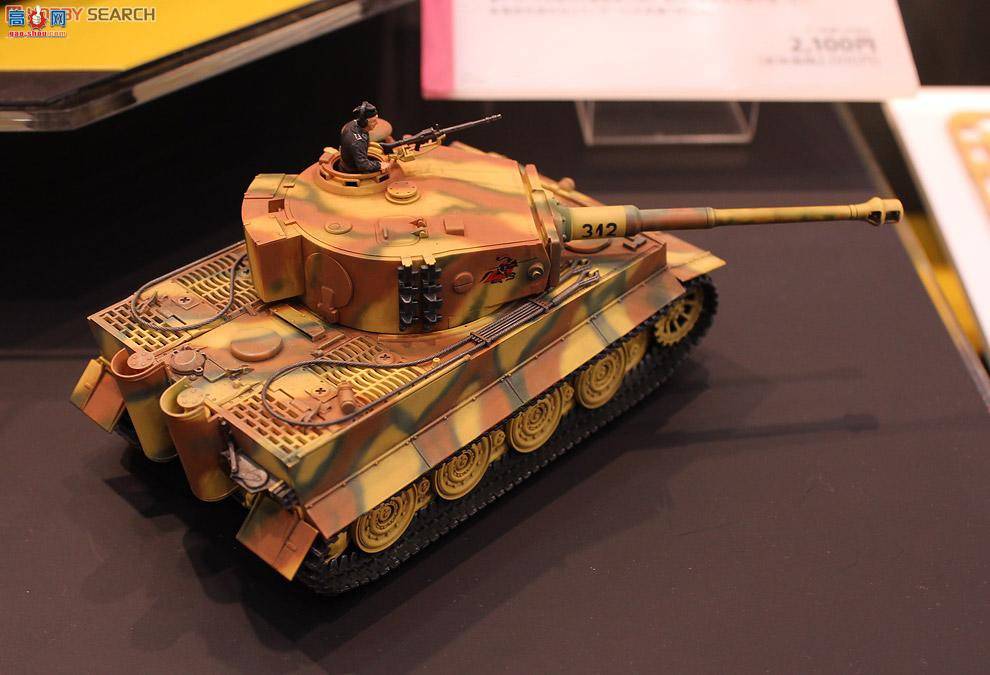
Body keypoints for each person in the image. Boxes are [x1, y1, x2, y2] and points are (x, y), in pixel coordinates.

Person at [339, 101, 384, 174]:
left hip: (351, 161)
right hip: (352, 172)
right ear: (364, 122)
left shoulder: (352, 124)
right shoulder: (358, 142)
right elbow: (363, 166)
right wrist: (379, 165)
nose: (377, 123)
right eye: (374, 121)